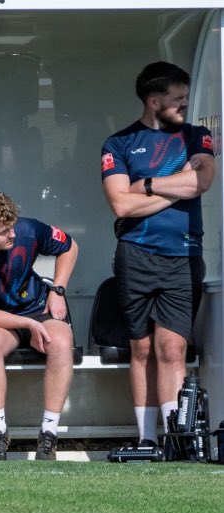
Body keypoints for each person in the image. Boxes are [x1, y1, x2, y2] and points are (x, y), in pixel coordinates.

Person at [101, 61, 215, 450]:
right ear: (154, 102)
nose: (185, 105)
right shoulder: (118, 144)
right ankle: (147, 438)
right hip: (136, 254)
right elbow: (121, 206)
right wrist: (173, 187)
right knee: (143, 348)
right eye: (177, 99)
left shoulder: (198, 136)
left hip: (183, 256)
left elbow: (201, 182)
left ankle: (176, 437)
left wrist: (145, 185)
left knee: (172, 347)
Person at [0, 189, 79, 461]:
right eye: (3, 231)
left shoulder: (27, 229)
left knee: (62, 342)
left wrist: (58, 290)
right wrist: (26, 324)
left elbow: (69, 246)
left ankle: (49, 435)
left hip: (37, 307)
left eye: (12, 226)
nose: (12, 234)